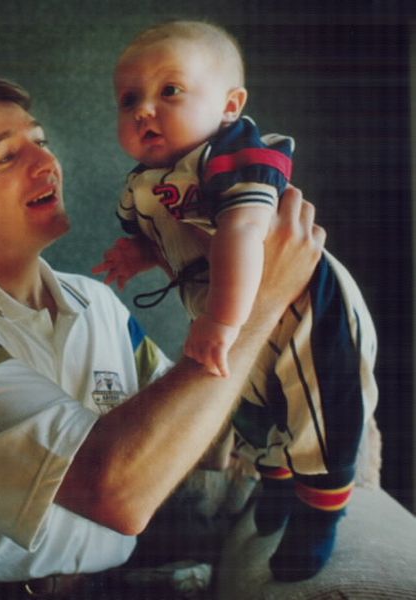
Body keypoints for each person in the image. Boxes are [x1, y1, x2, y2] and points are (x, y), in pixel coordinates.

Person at [0, 76, 324, 598]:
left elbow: (188, 430)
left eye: (40, 142)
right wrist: (258, 305)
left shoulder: (98, 303)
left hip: (111, 586)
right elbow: (118, 494)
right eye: (5, 157)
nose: (47, 164)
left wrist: (311, 419)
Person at [93, 20, 378, 580]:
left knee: (315, 401)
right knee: (251, 400)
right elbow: (166, 235)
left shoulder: (234, 153)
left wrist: (224, 320)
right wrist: (138, 255)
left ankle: (321, 510)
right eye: (130, 99)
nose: (145, 110)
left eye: (169, 91)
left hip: (302, 302)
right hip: (224, 307)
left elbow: (244, 231)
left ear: (229, 104)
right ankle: (275, 481)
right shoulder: (142, 185)